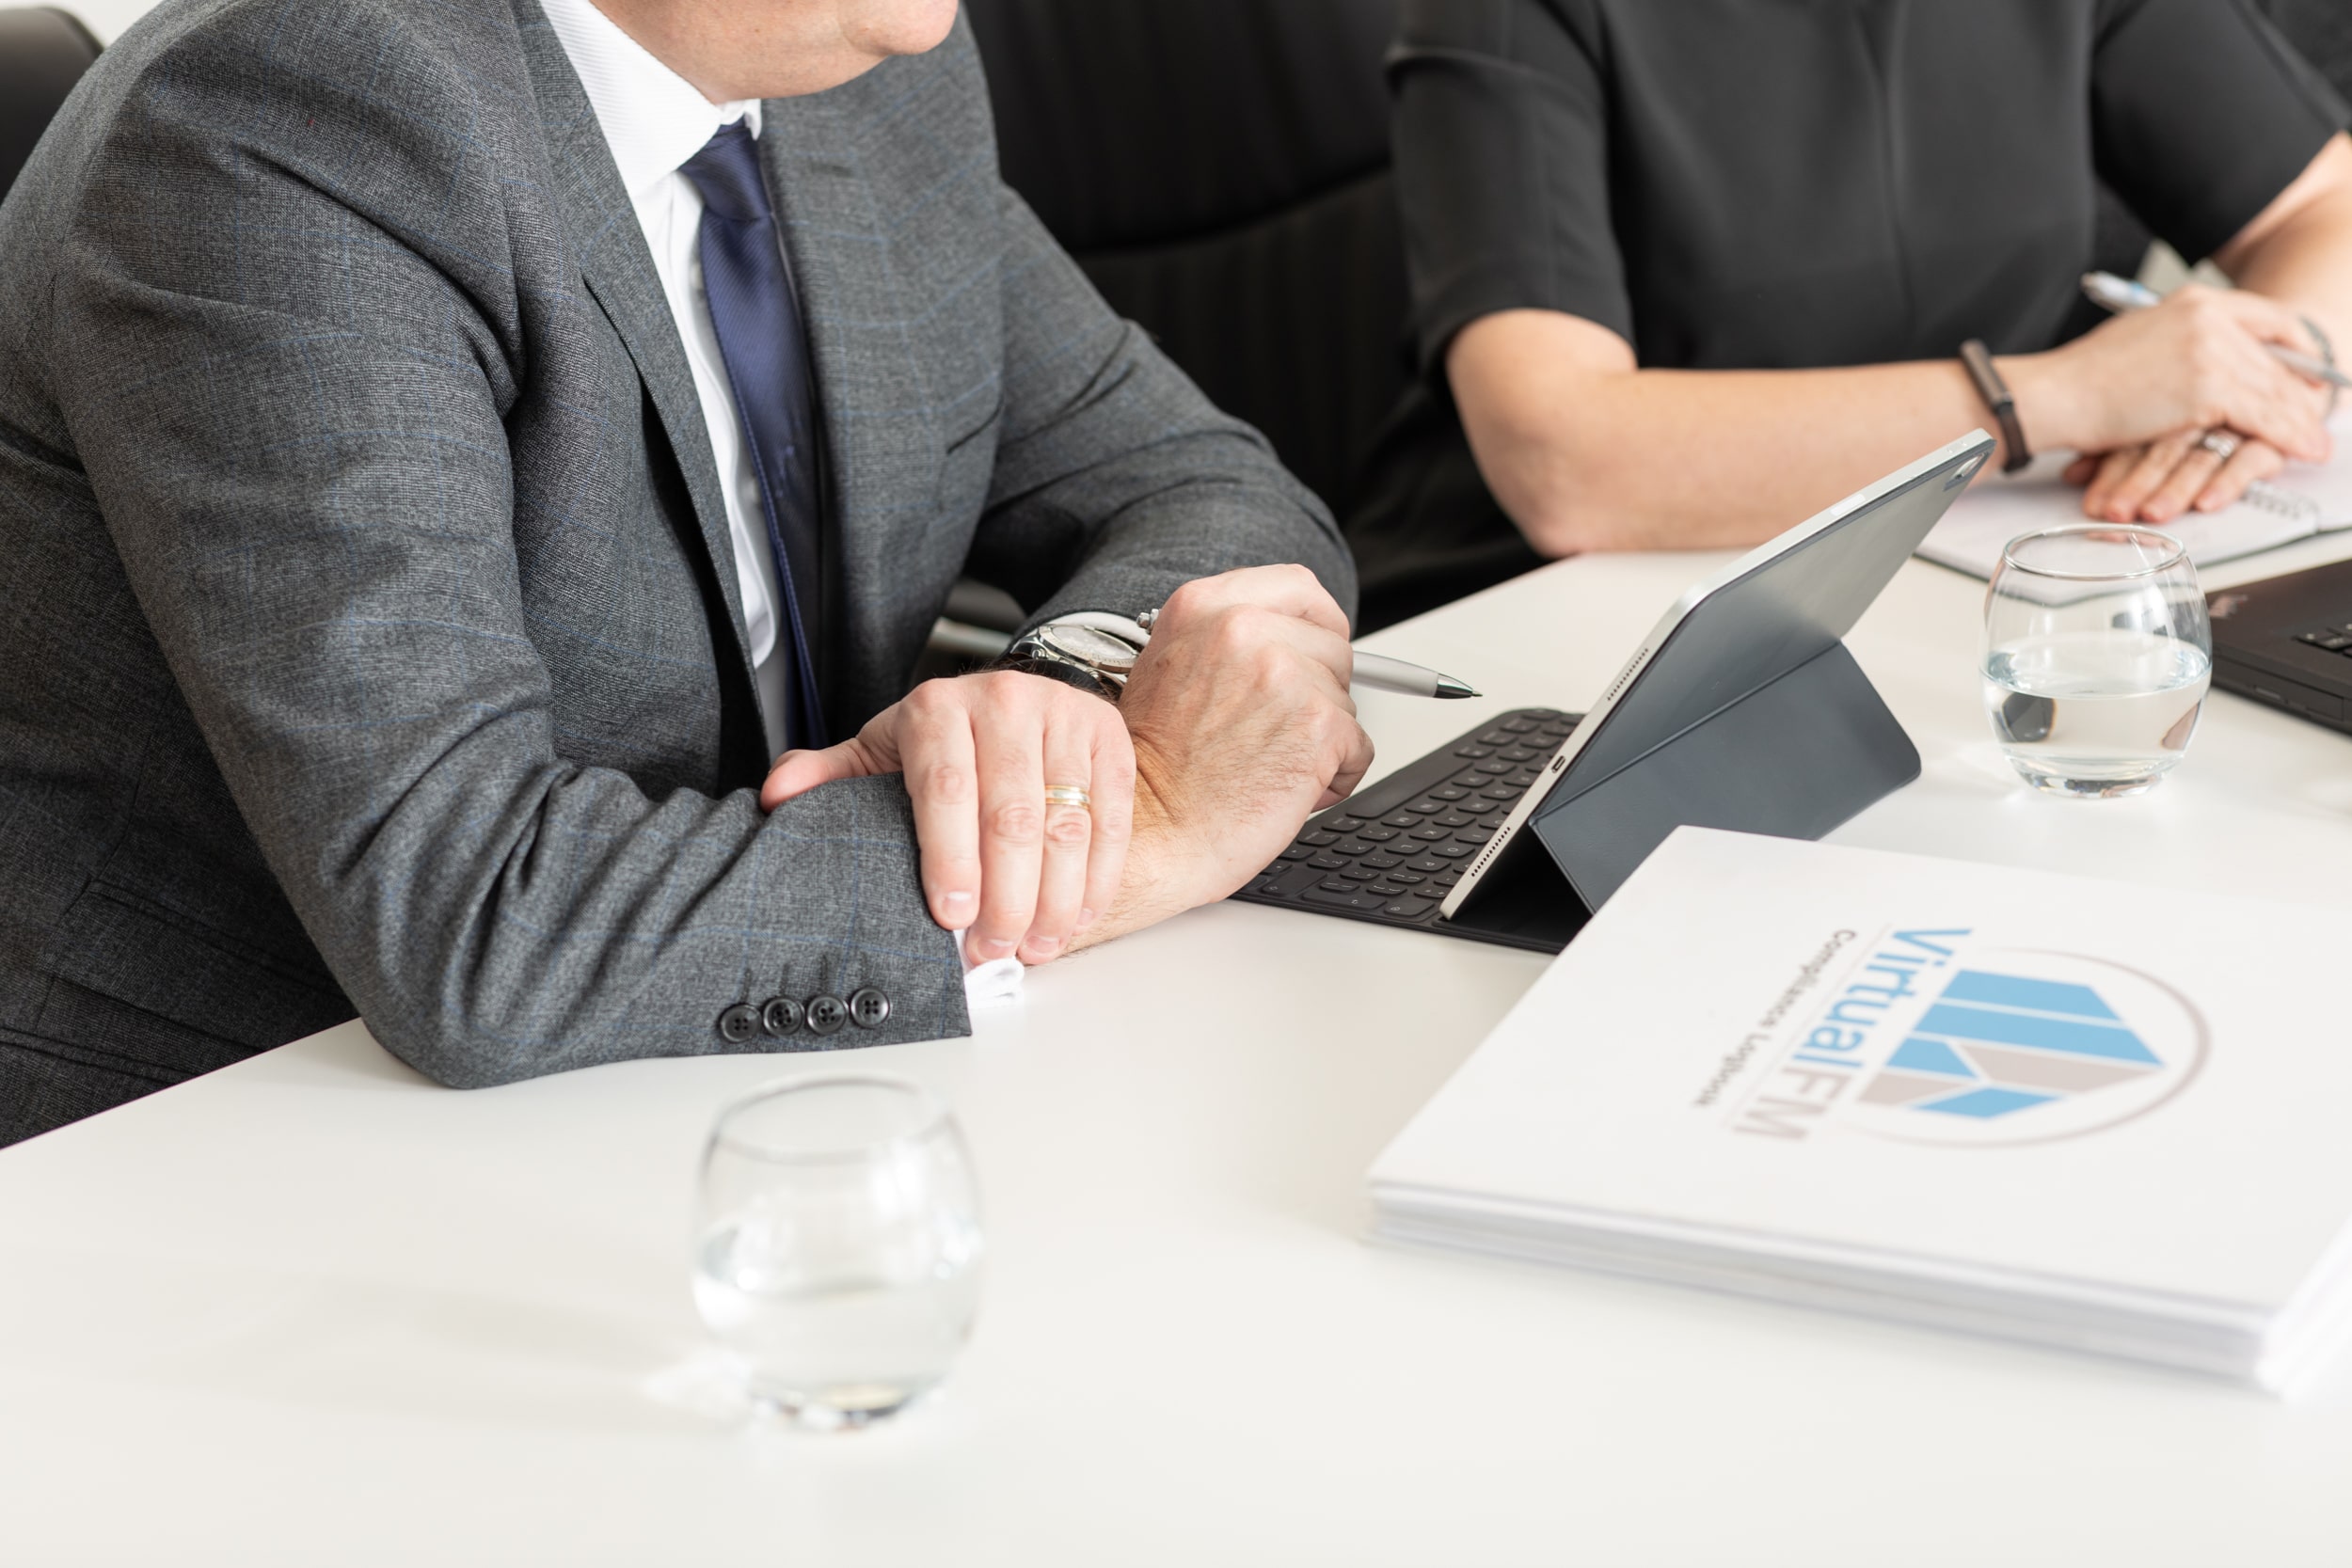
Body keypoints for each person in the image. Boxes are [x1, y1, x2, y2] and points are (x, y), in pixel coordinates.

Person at [0, 0, 1374, 1145]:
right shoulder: (300, 110)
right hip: (233, 1156)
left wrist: (1056, 709)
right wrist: (1144, 818)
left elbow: (1212, 489)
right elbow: (473, 917)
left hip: (741, 1095)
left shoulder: (873, 87)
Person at [1346, 0, 2352, 631]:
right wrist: (2060, 396)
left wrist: (2269, 375)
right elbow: (1564, 464)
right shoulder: (1503, 14)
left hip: (1964, 578)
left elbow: (2321, 207)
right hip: (1576, 618)